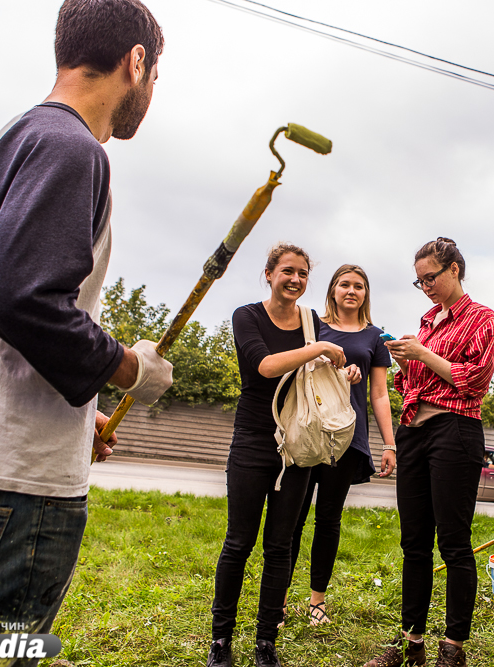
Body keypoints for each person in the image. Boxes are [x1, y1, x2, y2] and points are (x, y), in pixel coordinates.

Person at [0, 1, 172, 663]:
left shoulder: (17, 137)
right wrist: (128, 368)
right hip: (8, 489)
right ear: (136, 62)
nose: (152, 93)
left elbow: (11, 317)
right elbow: (18, 296)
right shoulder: (72, 147)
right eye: (156, 76)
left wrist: (82, 415)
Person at [208, 244, 361, 667]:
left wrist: (345, 370)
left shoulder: (312, 321)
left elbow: (325, 366)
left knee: (279, 546)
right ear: (269, 273)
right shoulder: (247, 316)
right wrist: (318, 351)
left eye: (303, 274)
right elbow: (265, 365)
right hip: (254, 441)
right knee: (238, 543)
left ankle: (265, 642)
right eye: (288, 271)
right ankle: (221, 640)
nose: (295, 280)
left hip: (298, 447)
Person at [363, 238, 494, 667]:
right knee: (414, 544)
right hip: (413, 433)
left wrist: (423, 352)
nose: (426, 287)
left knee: (454, 544)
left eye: (431, 278)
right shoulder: (427, 321)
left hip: (455, 430)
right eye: (419, 281)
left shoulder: (482, 318)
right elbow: (413, 385)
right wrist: (407, 361)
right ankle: (411, 643)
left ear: (455, 269)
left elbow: (473, 381)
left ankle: (453, 648)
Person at [287, 264, 397, 626]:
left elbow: (379, 395)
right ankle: (279, 600)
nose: (351, 290)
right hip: (306, 434)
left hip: (347, 439)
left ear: (366, 294)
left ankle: (317, 599)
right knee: (292, 518)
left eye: (359, 286)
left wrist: (389, 444)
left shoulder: (375, 338)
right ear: (333, 290)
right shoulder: (311, 326)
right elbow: (293, 371)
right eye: (344, 284)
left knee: (328, 519)